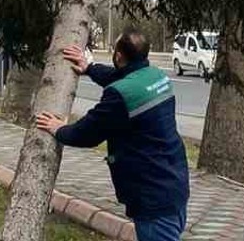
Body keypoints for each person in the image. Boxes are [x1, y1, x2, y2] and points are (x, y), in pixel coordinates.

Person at [35, 29, 190, 241]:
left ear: (118, 55)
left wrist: (58, 128)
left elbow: (87, 134)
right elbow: (120, 77)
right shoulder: (157, 77)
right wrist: (89, 68)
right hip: (174, 185)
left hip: (153, 197)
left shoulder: (120, 95)